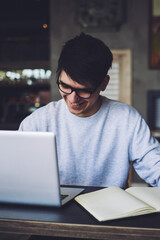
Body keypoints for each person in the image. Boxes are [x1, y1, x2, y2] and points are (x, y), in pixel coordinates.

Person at [19, 33, 160, 189]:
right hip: (53, 211)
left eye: (84, 91)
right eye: (65, 86)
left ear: (104, 84)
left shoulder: (126, 118)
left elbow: (154, 165)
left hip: (110, 211)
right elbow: (16, 172)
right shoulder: (38, 122)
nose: (73, 99)